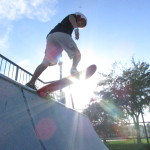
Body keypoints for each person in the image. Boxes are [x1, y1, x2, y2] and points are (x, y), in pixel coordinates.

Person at [26, 12, 87, 90]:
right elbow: (71, 18)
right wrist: (76, 30)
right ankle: (73, 69)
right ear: (80, 18)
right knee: (77, 54)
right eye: (81, 23)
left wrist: (60, 57)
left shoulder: (66, 26)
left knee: (46, 62)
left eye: (81, 26)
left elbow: (60, 44)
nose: (80, 26)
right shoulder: (73, 16)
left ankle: (31, 83)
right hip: (61, 33)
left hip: (51, 37)